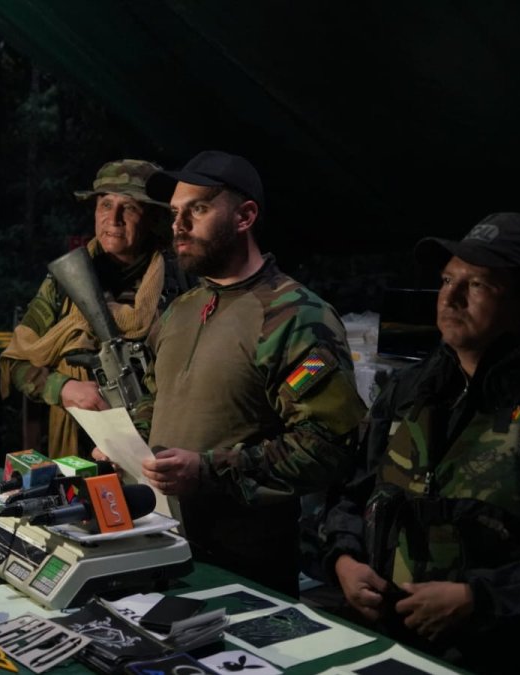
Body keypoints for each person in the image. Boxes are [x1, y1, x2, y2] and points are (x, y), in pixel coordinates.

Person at [322, 213, 520, 674]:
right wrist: (344, 560)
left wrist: (480, 598)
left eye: (477, 285)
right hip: (392, 651)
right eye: (447, 279)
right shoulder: (410, 390)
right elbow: (352, 495)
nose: (449, 297)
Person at [110, 150, 367, 596]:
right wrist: (124, 443)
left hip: (245, 563)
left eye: (199, 209)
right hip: (161, 541)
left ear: (245, 216)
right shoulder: (182, 311)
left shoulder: (296, 317)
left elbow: (329, 443)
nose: (179, 226)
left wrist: (210, 470)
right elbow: (161, 398)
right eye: (174, 213)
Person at [0, 159, 184, 458]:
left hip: (159, 443)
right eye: (105, 205)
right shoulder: (68, 279)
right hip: (77, 443)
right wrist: (63, 387)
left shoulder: (179, 279)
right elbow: (18, 362)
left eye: (130, 207)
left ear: (151, 217)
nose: (114, 219)